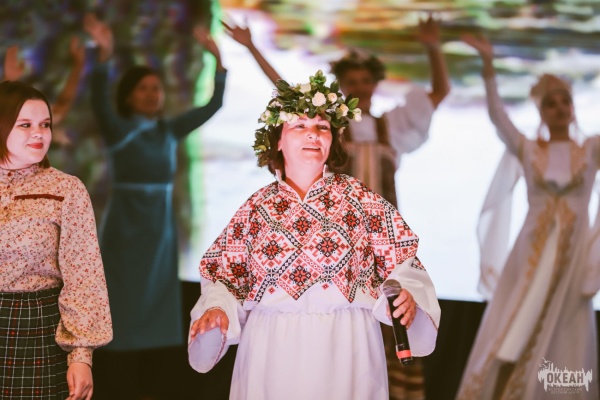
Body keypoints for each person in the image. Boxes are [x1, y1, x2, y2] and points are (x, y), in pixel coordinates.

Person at [188, 70, 440, 399]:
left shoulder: (361, 200)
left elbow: (403, 264)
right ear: (278, 140)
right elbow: (223, 278)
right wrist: (217, 309)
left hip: (347, 350)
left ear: (333, 139)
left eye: (322, 127)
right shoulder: (256, 208)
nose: (313, 134)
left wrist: (407, 294)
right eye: (300, 126)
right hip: (271, 351)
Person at [83, 14, 227, 399]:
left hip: (159, 228)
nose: (151, 94)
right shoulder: (120, 130)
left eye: (156, 88)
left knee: (157, 300)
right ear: (129, 95)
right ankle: (112, 374)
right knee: (120, 297)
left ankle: (152, 380)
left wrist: (218, 61)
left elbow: (213, 104)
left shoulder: (169, 130)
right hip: (125, 226)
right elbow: (97, 98)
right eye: (143, 89)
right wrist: (103, 54)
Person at [456, 35, 600, 400]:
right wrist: (488, 64)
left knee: (564, 332)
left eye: (565, 101)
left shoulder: (591, 149)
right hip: (532, 253)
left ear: (573, 107)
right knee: (513, 329)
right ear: (540, 112)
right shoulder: (529, 149)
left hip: (572, 257)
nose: (559, 108)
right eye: (550, 103)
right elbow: (497, 117)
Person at [0, 80, 112, 400]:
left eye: (45, 124)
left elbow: (84, 276)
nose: (39, 133)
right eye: (25, 124)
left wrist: (81, 355)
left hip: (33, 329)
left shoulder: (65, 189)